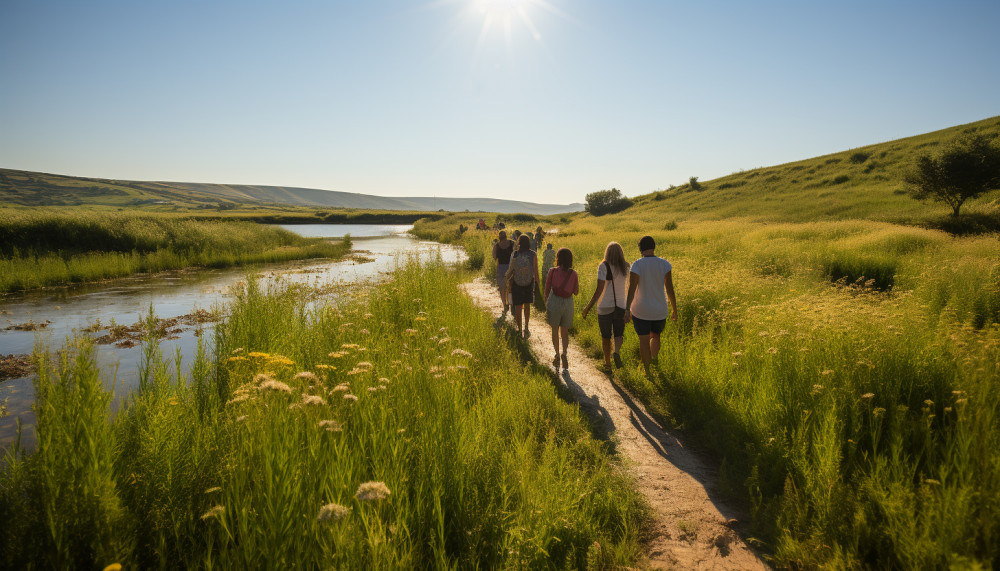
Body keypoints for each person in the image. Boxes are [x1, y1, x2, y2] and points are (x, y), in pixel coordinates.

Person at [624, 235, 677, 376]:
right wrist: (675, 309)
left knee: (643, 341)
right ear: (653, 247)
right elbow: (670, 289)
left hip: (641, 310)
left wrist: (627, 308)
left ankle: (647, 371)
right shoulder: (665, 264)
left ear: (640, 249)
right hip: (659, 310)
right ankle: (654, 359)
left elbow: (632, 288)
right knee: (656, 336)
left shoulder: (637, 265)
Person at [581, 242, 629, 370]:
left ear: (607, 253)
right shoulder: (626, 266)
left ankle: (608, 364)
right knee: (618, 334)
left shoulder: (603, 266)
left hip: (604, 306)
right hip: (620, 305)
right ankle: (617, 352)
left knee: (606, 337)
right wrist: (629, 309)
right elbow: (628, 289)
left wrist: (588, 307)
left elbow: (599, 289)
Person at [544, 248, 579, 370]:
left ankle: (557, 354)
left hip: (554, 301)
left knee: (554, 330)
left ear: (558, 258)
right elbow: (576, 292)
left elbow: (547, 288)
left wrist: (546, 303)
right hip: (568, 303)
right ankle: (565, 353)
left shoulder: (552, 271)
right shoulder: (573, 273)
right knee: (564, 331)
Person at [505, 234, 539, 338]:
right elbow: (535, 271)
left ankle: (519, 329)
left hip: (517, 282)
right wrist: (537, 283)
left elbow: (511, 268)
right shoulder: (533, 254)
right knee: (527, 305)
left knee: (518, 307)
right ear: (528, 243)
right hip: (529, 282)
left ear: (519, 243)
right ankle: (527, 326)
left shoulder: (515, 254)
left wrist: (506, 278)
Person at [492, 231, 514, 317]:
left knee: (502, 288)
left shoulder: (496, 246)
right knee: (510, 287)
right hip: (511, 267)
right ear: (506, 236)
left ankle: (505, 305)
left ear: (499, 237)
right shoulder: (512, 243)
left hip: (501, 267)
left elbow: (494, 257)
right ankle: (510, 303)